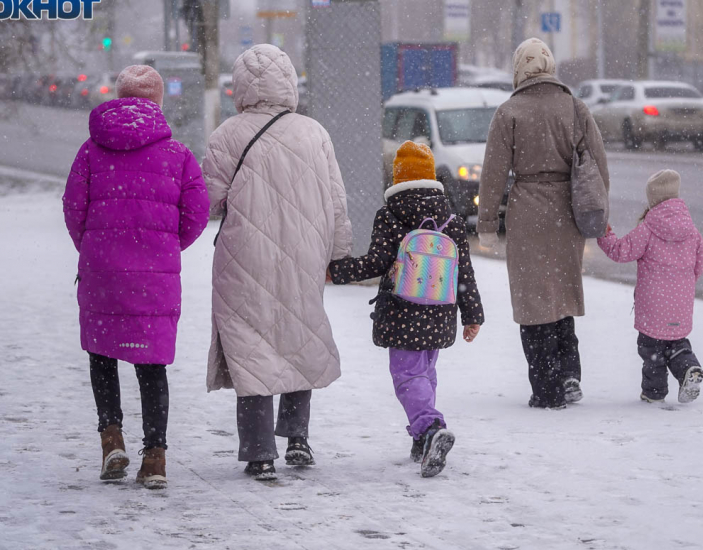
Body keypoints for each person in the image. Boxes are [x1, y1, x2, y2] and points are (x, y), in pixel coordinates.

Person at [202, 44, 352, 481]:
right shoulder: (314, 132)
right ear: (288, 81)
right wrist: (338, 255)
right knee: (296, 333)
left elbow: (211, 200)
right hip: (306, 252)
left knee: (251, 347)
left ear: (241, 85)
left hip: (243, 253)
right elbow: (336, 200)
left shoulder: (226, 135)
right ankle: (298, 436)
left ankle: (259, 451)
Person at [62, 65, 210, 488]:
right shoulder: (177, 154)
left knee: (102, 355)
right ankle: (156, 458)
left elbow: (74, 207)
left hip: (102, 269)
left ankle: (111, 440)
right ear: (158, 103)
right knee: (152, 364)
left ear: (120, 97)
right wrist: (165, 245)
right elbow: (198, 211)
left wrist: (93, 248)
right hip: (154, 275)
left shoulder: (91, 151)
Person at [329, 141, 484, 478]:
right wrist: (473, 316)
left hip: (403, 313)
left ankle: (430, 429)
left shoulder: (391, 214)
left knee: (407, 377)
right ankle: (420, 437)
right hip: (440, 313)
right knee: (424, 373)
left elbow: (377, 262)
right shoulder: (451, 218)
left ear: (398, 178)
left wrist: (337, 271)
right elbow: (464, 271)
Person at [476, 38, 610, 410]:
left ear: (519, 68)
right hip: (566, 212)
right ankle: (569, 374)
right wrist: (598, 213)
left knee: (533, 299)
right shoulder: (575, 107)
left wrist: (487, 222)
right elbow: (598, 165)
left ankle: (546, 387)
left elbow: (493, 173)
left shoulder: (509, 112)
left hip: (527, 211)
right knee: (562, 294)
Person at [597, 170, 703, 403]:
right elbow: (700, 264)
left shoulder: (648, 228)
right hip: (681, 303)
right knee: (677, 343)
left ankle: (653, 393)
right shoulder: (692, 230)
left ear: (652, 199)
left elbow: (620, 251)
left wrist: (605, 234)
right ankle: (688, 367)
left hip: (653, 304)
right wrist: (683, 287)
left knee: (651, 350)